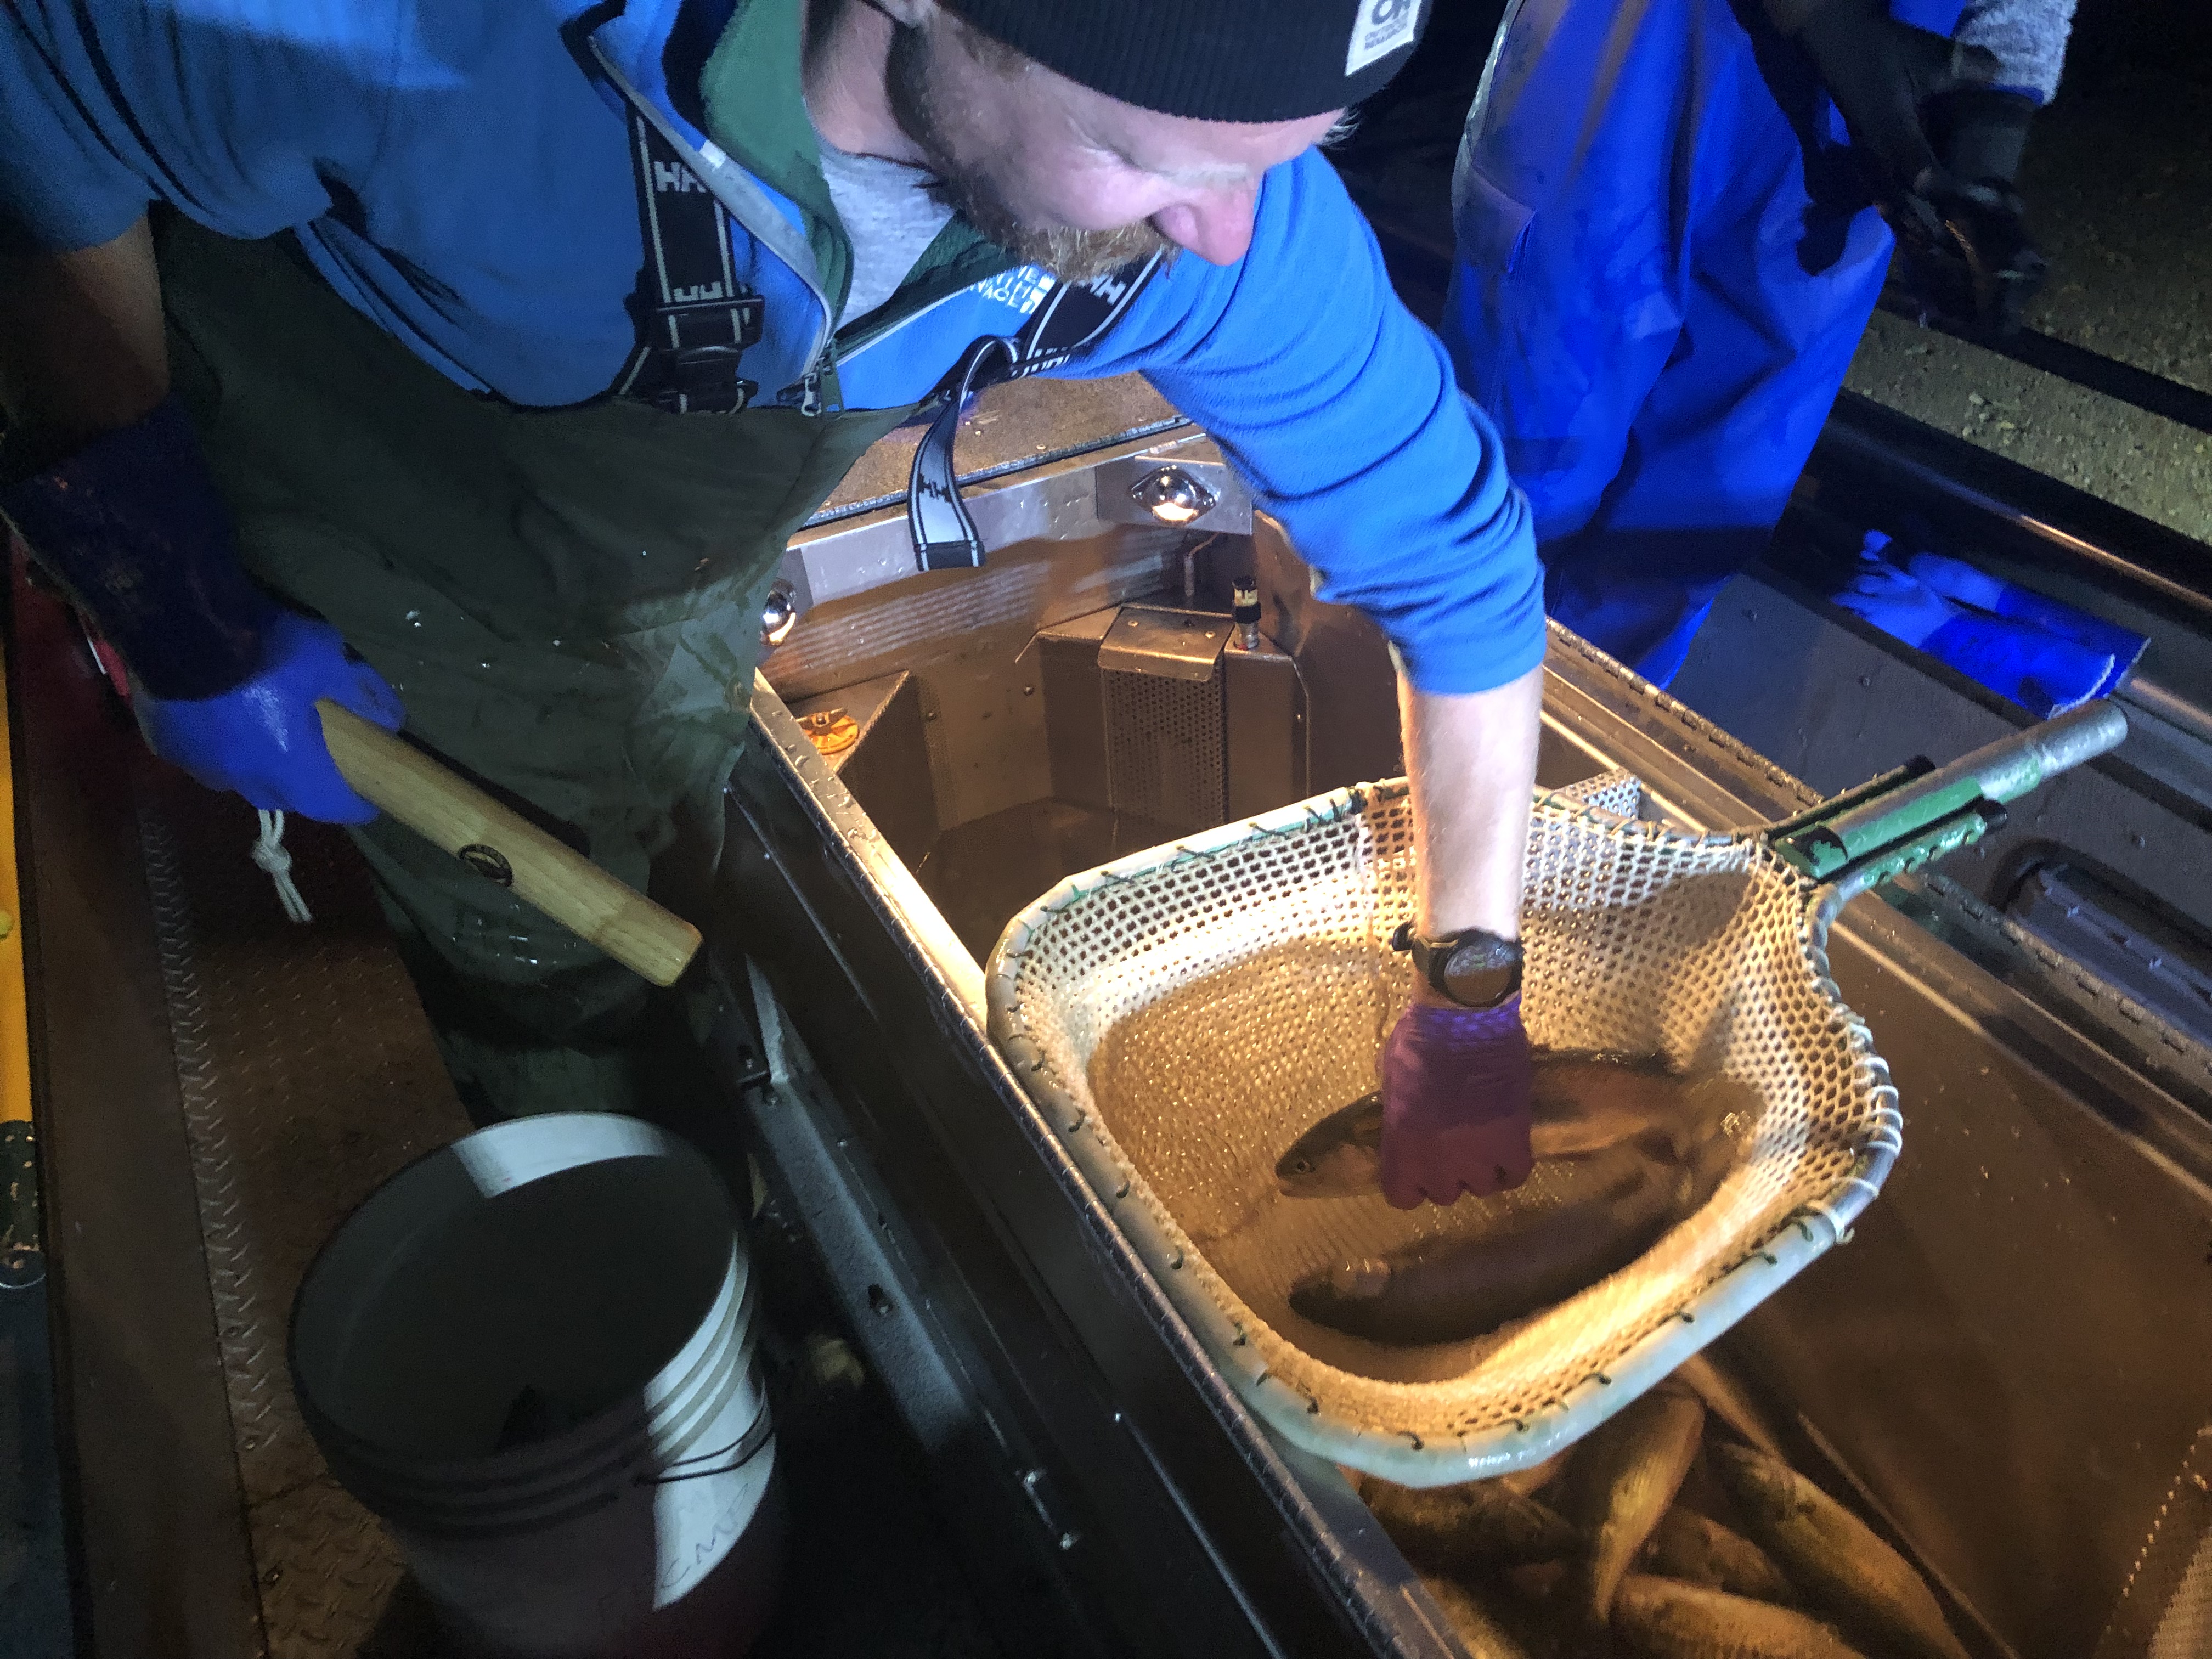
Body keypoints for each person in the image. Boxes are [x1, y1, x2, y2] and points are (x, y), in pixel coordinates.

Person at [2, 0, 1542, 1207]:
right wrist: (169, 591)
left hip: (660, 532)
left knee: (654, 820)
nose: (1226, 228)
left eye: (1291, 150)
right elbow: (41, 96)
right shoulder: (425, 34)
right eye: (1154, 159)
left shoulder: (1223, 220)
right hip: (378, 462)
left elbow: (1463, 579)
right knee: (537, 955)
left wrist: (1470, 994)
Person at [1441, 0, 2077, 688]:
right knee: (1513, 482)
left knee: (1696, 523)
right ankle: (1388, 746)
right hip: (1644, 38)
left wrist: (1989, 131)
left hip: (1864, 101)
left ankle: (1585, 771)